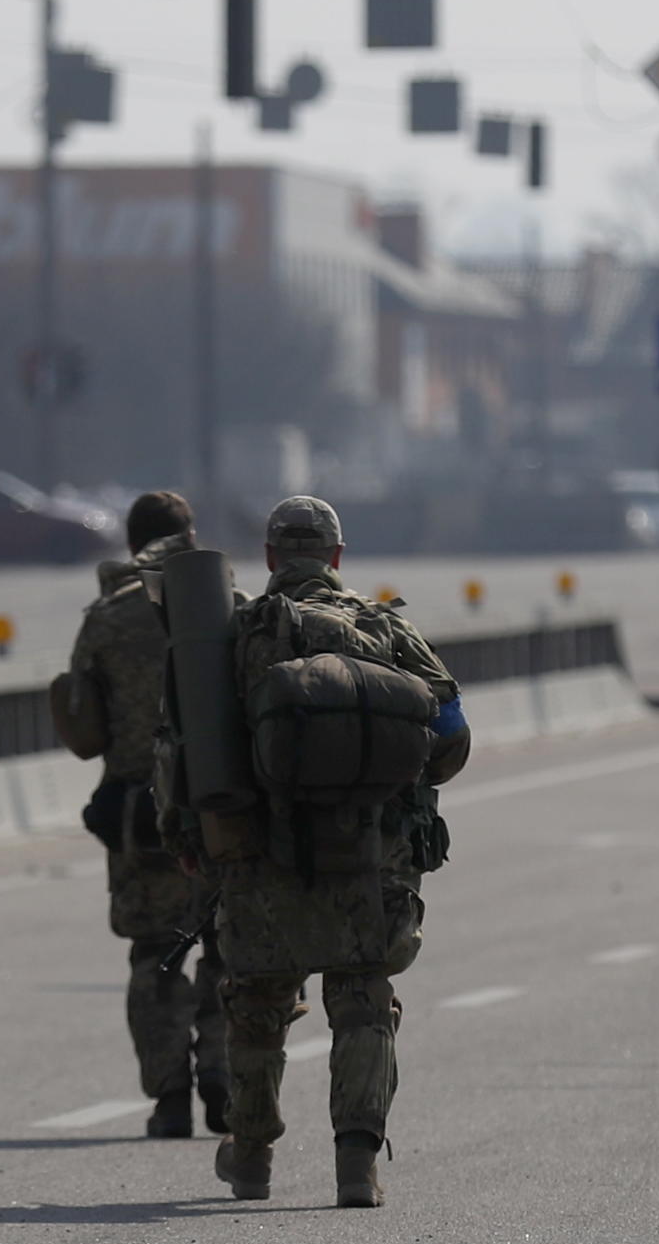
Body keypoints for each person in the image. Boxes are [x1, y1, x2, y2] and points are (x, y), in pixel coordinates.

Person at [167, 495, 469, 1207]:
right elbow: (450, 738)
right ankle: (356, 1164)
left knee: (258, 1004)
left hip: (262, 854)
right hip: (369, 855)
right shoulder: (388, 627)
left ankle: (249, 1157)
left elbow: (181, 750)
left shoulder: (231, 635)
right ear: (336, 557)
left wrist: (189, 840)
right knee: (363, 1001)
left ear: (272, 557)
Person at [60, 490, 228, 1137]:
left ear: (132, 546)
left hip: (140, 816)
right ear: (191, 539)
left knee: (153, 957)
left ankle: (170, 1095)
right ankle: (221, 1074)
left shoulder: (105, 619)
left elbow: (81, 723)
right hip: (216, 810)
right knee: (225, 951)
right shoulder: (224, 606)